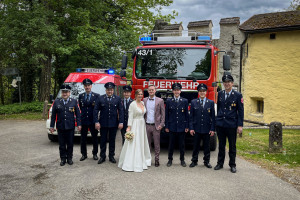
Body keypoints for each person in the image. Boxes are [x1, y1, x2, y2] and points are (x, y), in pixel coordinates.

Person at [214, 74, 244, 173]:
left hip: (231, 124)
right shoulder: (220, 94)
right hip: (221, 124)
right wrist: (217, 120)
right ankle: (220, 163)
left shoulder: (238, 95)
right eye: (225, 82)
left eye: (228, 82)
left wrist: (240, 125)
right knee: (221, 145)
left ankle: (232, 165)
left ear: (232, 83)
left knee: (232, 146)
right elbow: (219, 109)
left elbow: (240, 111)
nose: (227, 84)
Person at [118, 89, 151, 172]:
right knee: (134, 143)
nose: (140, 96)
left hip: (142, 124)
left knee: (141, 142)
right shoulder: (133, 104)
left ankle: (142, 159)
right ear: (135, 95)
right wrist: (129, 127)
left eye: (141, 94)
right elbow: (130, 116)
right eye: (138, 94)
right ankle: (131, 163)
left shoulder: (143, 103)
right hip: (135, 124)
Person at [50, 84, 81, 166]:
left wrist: (79, 124)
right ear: (61, 93)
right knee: (62, 144)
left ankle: (69, 158)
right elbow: (53, 116)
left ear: (69, 93)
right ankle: (63, 159)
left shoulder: (74, 101)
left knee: (70, 144)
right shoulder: (57, 102)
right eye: (63, 92)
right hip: (60, 127)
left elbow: (78, 114)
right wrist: (51, 126)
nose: (65, 94)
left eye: (66, 92)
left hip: (70, 127)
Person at [94, 82, 124, 164]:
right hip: (103, 123)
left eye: (111, 90)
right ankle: (102, 156)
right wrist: (96, 121)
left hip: (114, 124)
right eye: (108, 90)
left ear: (113, 90)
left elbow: (121, 111)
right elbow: (95, 110)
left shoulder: (117, 98)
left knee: (112, 141)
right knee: (103, 140)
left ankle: (111, 156)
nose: (109, 91)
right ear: (106, 90)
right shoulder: (100, 98)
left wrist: (121, 122)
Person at [189, 83, 215, 169]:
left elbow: (213, 117)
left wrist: (212, 129)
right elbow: (191, 117)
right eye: (200, 91)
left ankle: (206, 161)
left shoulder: (211, 103)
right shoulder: (193, 102)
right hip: (196, 129)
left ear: (206, 92)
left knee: (206, 147)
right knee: (195, 146)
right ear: (198, 92)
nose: (202, 93)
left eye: (203, 91)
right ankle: (194, 161)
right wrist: (191, 128)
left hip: (207, 129)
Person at [165, 83, 189, 167]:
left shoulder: (185, 101)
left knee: (182, 145)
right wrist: (167, 126)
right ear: (172, 91)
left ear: (180, 91)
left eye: (178, 90)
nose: (176, 92)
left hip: (181, 127)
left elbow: (186, 115)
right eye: (175, 90)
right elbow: (167, 115)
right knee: (171, 144)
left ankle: (182, 160)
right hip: (172, 126)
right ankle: (170, 160)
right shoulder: (169, 101)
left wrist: (186, 126)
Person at [143, 85, 165, 167]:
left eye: (152, 90)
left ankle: (157, 160)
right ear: (148, 91)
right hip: (147, 125)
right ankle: (147, 160)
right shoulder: (144, 100)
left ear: (155, 91)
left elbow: (163, 114)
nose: (151, 91)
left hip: (156, 126)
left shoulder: (160, 100)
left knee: (156, 144)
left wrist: (161, 124)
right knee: (147, 144)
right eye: (149, 90)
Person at [78, 78, 100, 161]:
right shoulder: (81, 96)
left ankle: (95, 154)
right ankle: (84, 154)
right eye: (85, 85)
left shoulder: (97, 96)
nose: (87, 87)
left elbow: (97, 109)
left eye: (88, 85)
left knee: (94, 138)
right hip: (84, 120)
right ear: (84, 86)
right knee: (83, 139)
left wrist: (97, 121)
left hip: (93, 120)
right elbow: (81, 108)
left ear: (91, 86)